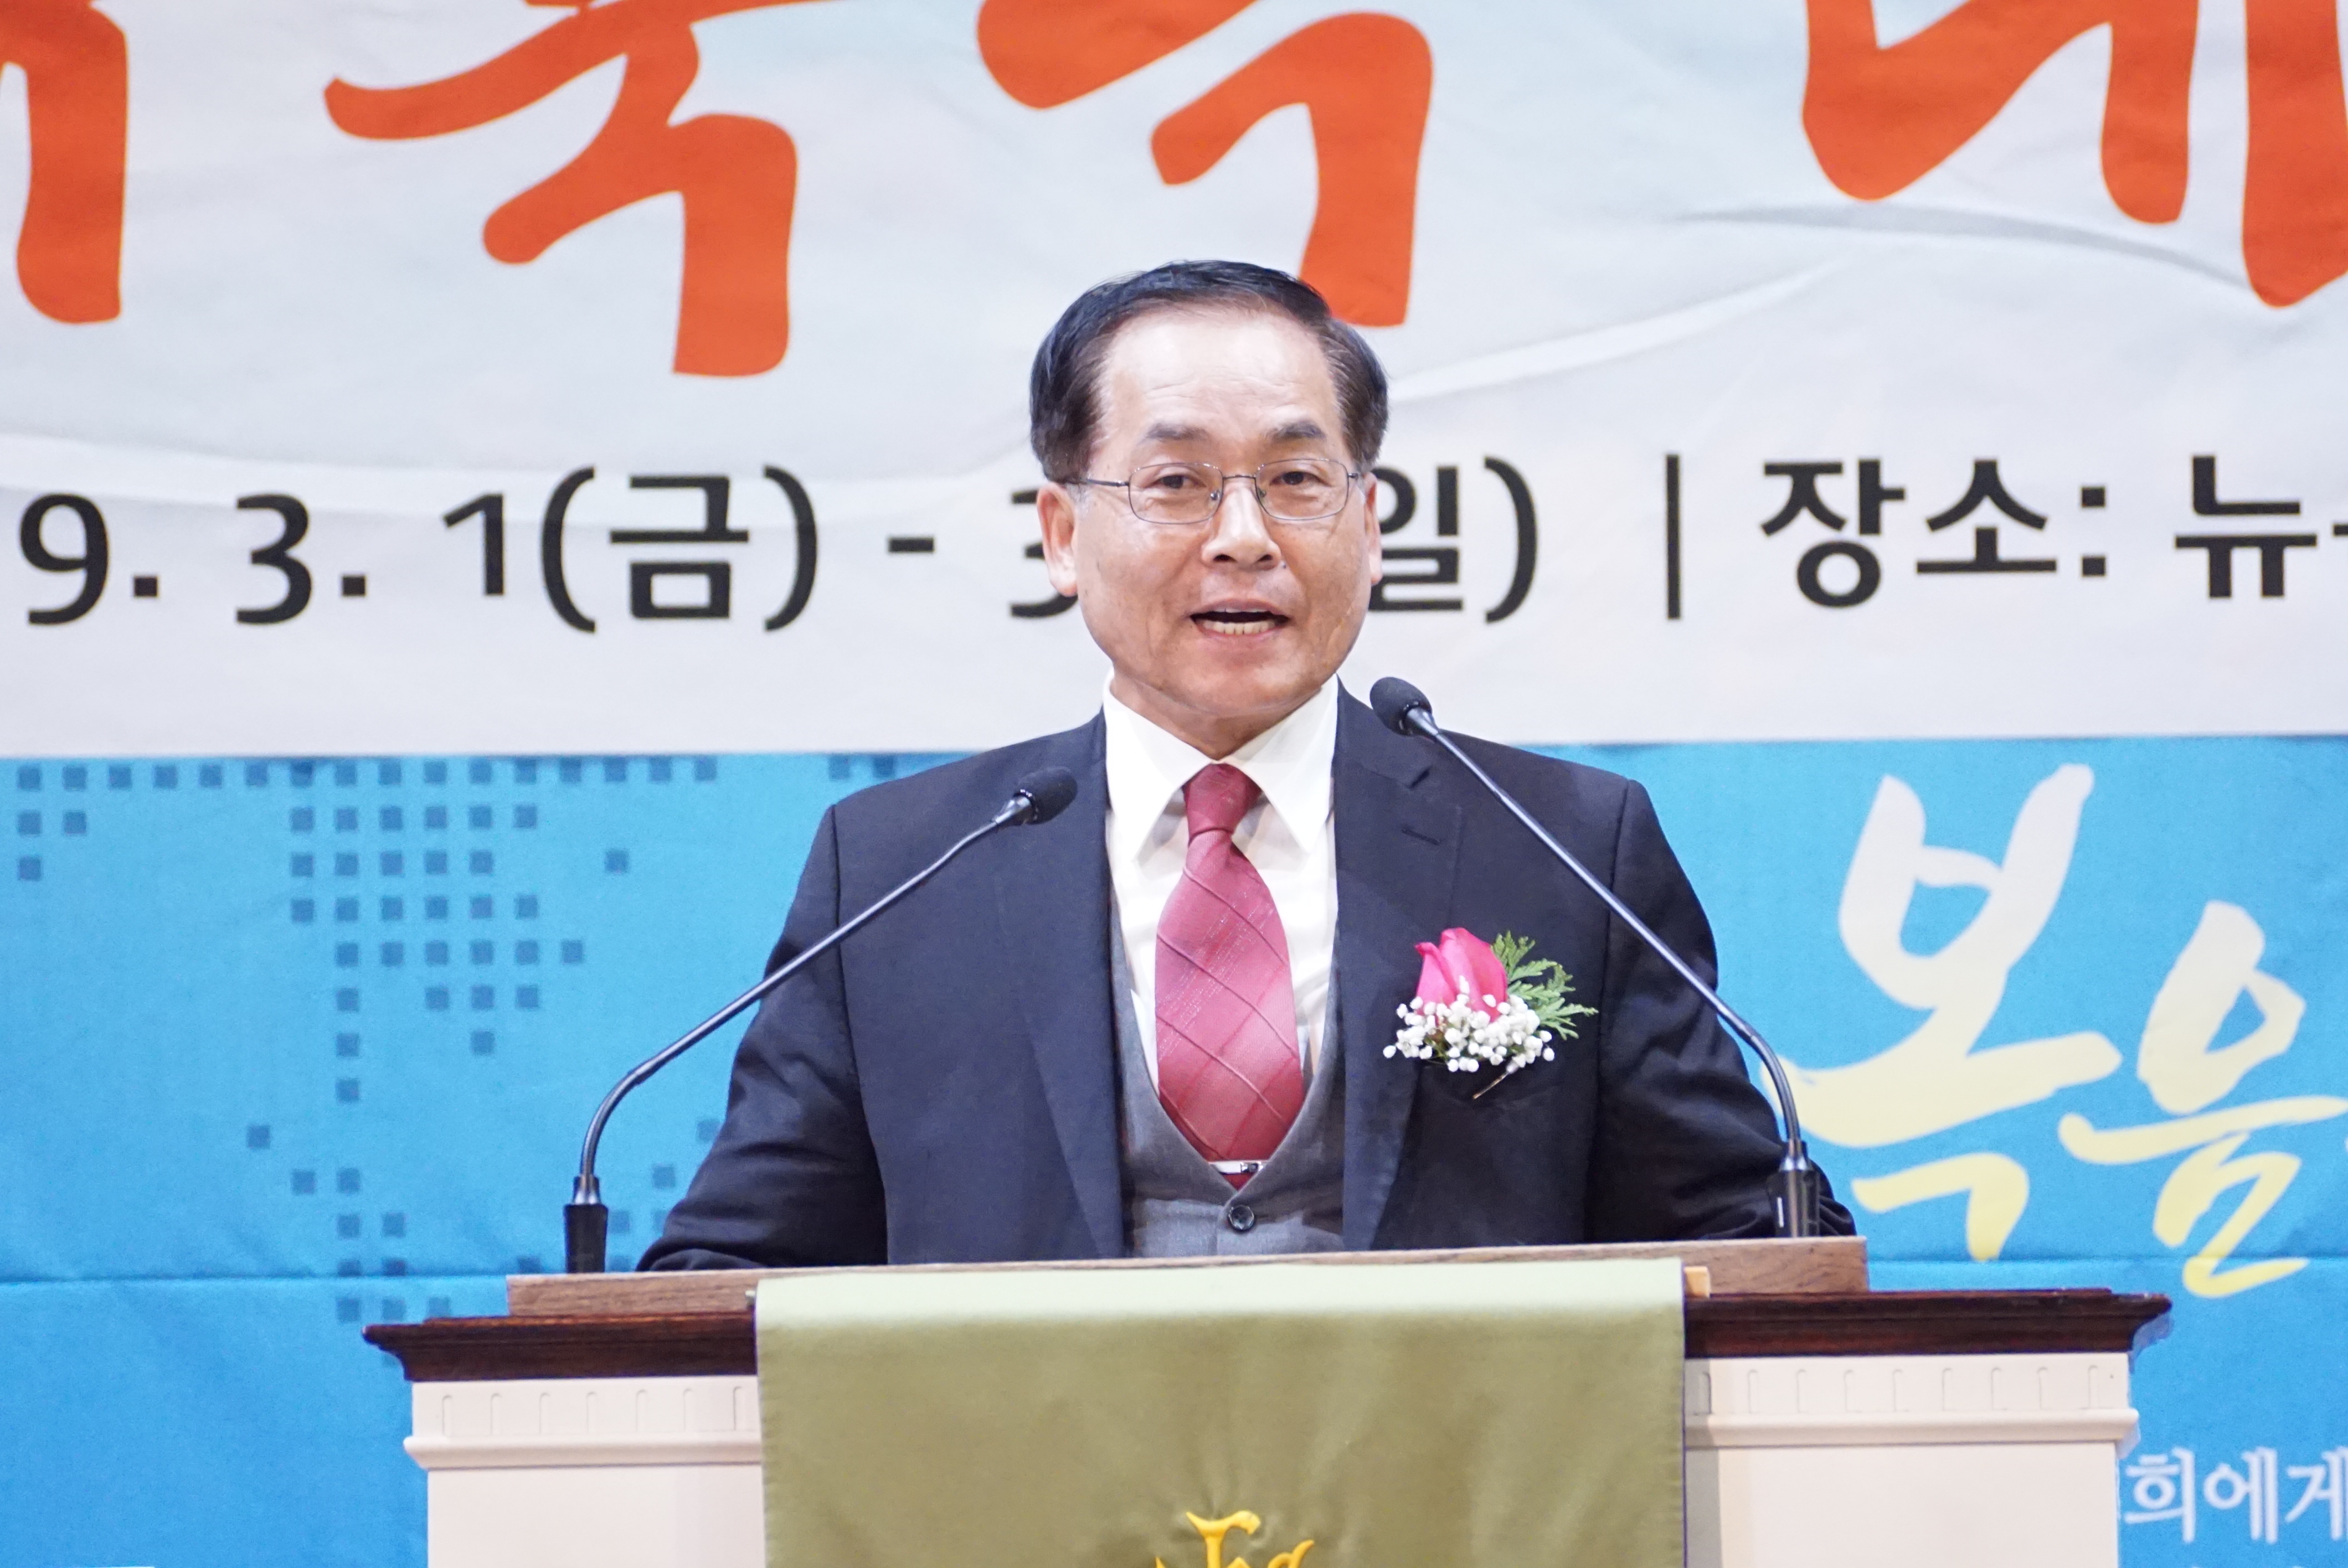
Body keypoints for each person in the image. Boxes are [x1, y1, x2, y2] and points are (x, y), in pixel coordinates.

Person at [641, 260, 1851, 1268]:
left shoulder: (1560, 848)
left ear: (1367, 524)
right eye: (1174, 484)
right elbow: (735, 1268)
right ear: (1062, 535)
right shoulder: (899, 873)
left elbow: (1750, 1244)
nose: (1242, 537)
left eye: (1295, 481)